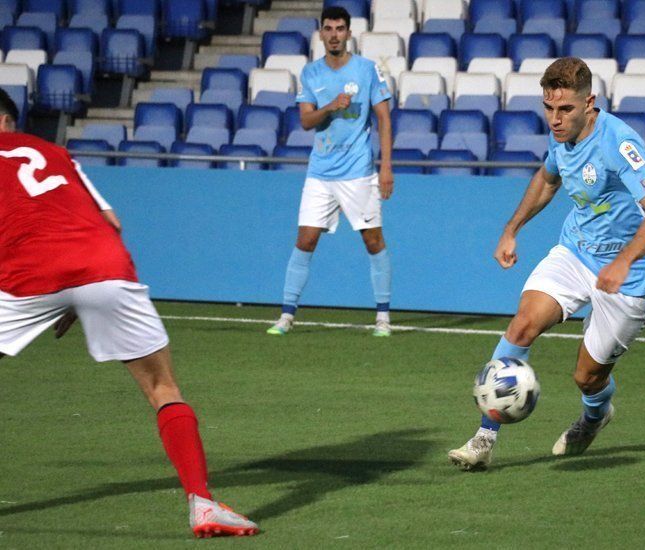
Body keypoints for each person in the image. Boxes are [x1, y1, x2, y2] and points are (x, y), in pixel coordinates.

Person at [0, 89, 258, 538]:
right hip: (103, 265)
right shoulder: (56, 153)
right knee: (162, 387)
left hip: (26, 274)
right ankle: (203, 504)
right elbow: (112, 222)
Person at [448, 58, 645, 471]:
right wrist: (511, 228)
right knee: (523, 323)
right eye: (548, 108)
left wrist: (624, 261)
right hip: (576, 252)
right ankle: (484, 437)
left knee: (587, 378)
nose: (555, 120)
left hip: (628, 276)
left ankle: (595, 416)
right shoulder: (562, 136)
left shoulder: (618, 143)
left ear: (590, 102)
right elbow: (547, 178)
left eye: (565, 110)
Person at [267, 6, 395, 337]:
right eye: (329, 28)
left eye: (340, 28)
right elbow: (307, 121)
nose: (334, 34)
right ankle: (286, 315)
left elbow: (383, 118)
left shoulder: (367, 70)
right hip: (321, 172)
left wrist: (385, 167)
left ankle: (382, 317)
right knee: (305, 239)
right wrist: (330, 107)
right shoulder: (310, 74)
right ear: (321, 34)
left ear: (349, 34)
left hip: (358, 172)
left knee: (373, 240)